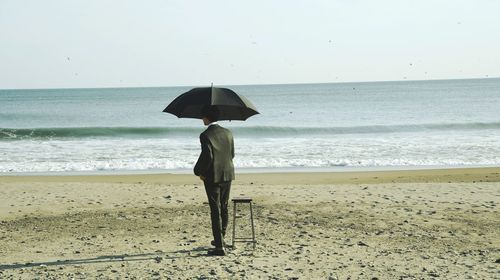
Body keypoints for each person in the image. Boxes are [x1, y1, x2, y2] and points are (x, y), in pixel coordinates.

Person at [194, 105, 235, 256]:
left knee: (215, 209)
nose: (201, 119)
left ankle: (219, 247)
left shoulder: (205, 135)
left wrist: (198, 171)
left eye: (202, 116)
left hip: (213, 177)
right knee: (224, 206)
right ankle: (221, 238)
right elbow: (232, 154)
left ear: (207, 117)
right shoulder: (228, 132)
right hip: (228, 173)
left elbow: (208, 157)